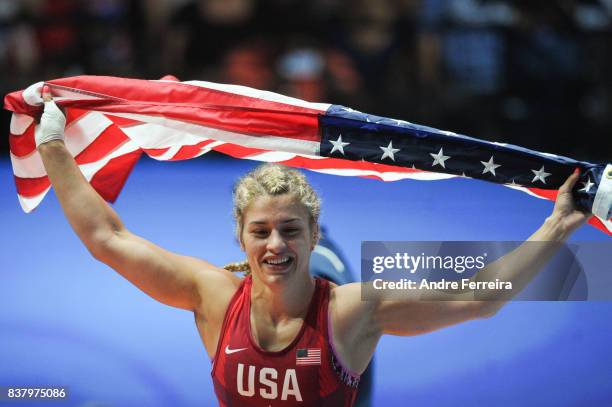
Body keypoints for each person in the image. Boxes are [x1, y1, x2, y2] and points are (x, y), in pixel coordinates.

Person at [35, 86, 590, 406]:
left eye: (290, 229)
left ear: (312, 233)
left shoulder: (354, 309)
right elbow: (106, 237)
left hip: (334, 314)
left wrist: (558, 225)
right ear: (241, 236)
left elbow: (480, 299)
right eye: (261, 231)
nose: (275, 243)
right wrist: (53, 146)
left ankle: (329, 261)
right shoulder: (210, 294)